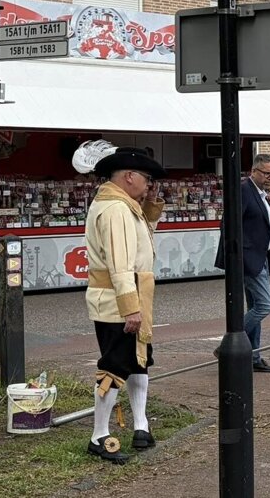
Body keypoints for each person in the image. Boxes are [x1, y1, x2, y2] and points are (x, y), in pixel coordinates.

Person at [72, 141, 166, 463]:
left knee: (139, 361)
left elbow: (140, 244)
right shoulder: (115, 209)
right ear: (128, 176)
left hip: (131, 298)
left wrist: (150, 208)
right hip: (117, 303)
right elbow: (121, 263)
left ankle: (141, 425)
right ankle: (99, 436)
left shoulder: (124, 204)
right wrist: (131, 308)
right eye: (146, 178)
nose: (149, 184)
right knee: (114, 366)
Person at [215, 153, 270, 374]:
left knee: (256, 307)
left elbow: (257, 223)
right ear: (253, 170)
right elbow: (228, 224)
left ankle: (253, 356)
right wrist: (241, 256)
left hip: (260, 258)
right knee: (265, 306)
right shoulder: (245, 190)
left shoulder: (261, 193)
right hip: (249, 260)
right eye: (266, 173)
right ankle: (227, 345)